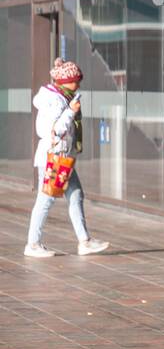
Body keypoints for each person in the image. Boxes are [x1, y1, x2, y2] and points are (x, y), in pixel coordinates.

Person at [24, 59, 110, 259]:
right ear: (64, 82)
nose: (78, 84)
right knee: (45, 199)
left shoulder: (62, 95)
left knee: (76, 194)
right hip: (54, 158)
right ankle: (33, 244)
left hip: (63, 158)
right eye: (75, 81)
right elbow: (53, 131)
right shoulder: (55, 101)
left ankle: (85, 241)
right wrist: (71, 111)